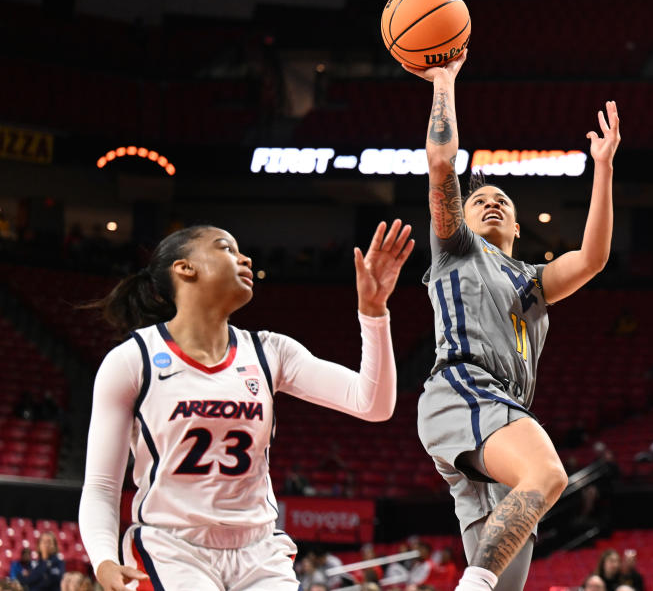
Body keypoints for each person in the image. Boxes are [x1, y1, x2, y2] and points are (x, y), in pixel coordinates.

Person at [78, 222, 414, 590]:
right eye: (226, 248)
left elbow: (373, 403)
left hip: (259, 550)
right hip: (172, 548)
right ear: (184, 268)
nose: (245, 258)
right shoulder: (132, 359)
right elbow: (101, 484)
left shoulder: (270, 351)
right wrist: (104, 559)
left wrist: (374, 312)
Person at [406, 49, 620, 591]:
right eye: (480, 200)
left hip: (499, 414)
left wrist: (603, 167)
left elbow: (593, 260)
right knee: (547, 475)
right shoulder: (456, 249)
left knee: (507, 579)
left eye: (502, 199)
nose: (492, 203)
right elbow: (440, 164)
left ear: (520, 228)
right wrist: (444, 81)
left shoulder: (533, 280)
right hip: (465, 389)